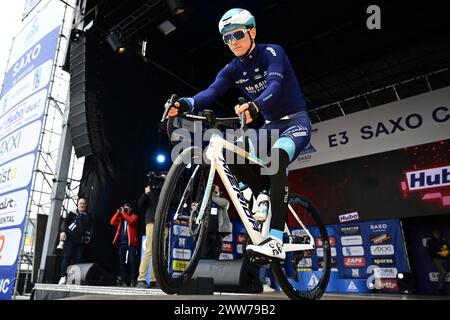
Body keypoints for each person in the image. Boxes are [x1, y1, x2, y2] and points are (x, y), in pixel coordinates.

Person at [167, 8, 311, 259]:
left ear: (252, 31)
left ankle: (275, 240)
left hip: (295, 122)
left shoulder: (272, 52)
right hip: (270, 126)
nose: (233, 42)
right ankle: (262, 195)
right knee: (235, 154)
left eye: (238, 35)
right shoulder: (232, 68)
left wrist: (255, 106)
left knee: (276, 160)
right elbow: (211, 92)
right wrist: (186, 103)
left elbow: (275, 85)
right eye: (227, 38)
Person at [136, 172, 166, 288]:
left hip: (164, 223)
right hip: (152, 221)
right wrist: (145, 194)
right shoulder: (151, 191)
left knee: (158, 252)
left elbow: (174, 201)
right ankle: (141, 278)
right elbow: (140, 205)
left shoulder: (167, 192)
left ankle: (154, 280)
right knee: (149, 250)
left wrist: (166, 186)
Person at [58, 197, 94, 285]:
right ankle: (63, 276)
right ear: (77, 204)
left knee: (78, 259)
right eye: (80, 203)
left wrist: (89, 235)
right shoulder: (72, 213)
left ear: (86, 205)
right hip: (69, 239)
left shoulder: (88, 216)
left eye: (83, 204)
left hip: (80, 241)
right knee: (67, 256)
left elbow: (91, 227)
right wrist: (62, 231)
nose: (82, 205)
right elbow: (64, 223)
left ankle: (72, 278)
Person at [110, 203, 139, 287]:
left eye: (127, 209)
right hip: (122, 244)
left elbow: (131, 221)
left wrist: (123, 213)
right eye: (124, 209)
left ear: (131, 209)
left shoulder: (135, 216)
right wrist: (118, 213)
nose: (125, 210)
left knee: (132, 262)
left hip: (131, 244)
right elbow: (112, 222)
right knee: (122, 263)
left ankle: (133, 280)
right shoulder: (121, 219)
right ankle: (123, 281)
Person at [200, 184, 232, 259]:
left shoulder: (222, 201)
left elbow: (226, 204)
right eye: (215, 191)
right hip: (206, 232)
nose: (218, 193)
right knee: (203, 255)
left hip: (218, 233)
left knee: (215, 256)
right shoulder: (204, 200)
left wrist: (213, 194)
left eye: (217, 192)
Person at [427, 229, 448, 295]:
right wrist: (438, 253)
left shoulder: (442, 240)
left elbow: (446, 248)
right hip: (436, 259)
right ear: (433, 234)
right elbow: (430, 251)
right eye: (435, 233)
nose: (436, 234)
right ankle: (439, 289)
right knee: (443, 272)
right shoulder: (430, 241)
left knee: (444, 273)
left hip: (443, 259)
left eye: (437, 232)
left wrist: (445, 253)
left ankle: (440, 289)